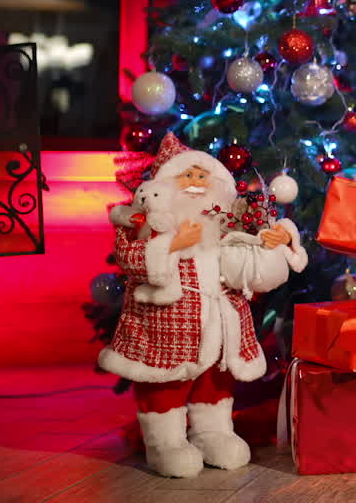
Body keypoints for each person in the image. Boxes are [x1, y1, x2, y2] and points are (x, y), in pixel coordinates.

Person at [100, 133, 308, 478]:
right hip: (167, 325)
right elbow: (130, 259)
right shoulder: (141, 224)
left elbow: (255, 261)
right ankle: (165, 443)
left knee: (216, 380)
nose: (196, 183)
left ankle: (213, 434)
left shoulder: (227, 221)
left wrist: (276, 240)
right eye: (187, 176)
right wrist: (171, 244)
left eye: (202, 176)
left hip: (222, 324)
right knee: (167, 383)